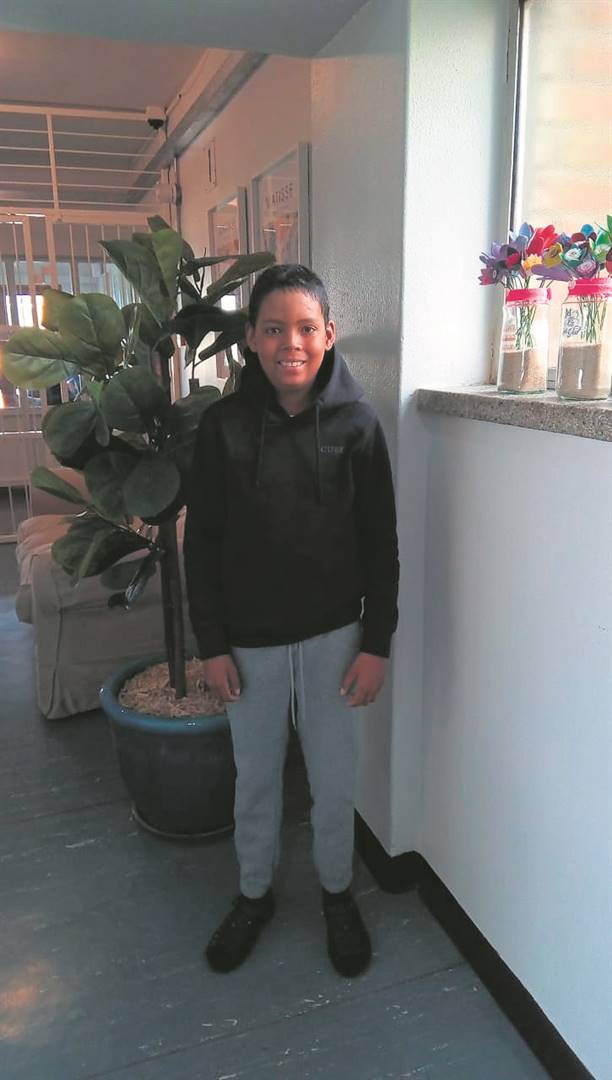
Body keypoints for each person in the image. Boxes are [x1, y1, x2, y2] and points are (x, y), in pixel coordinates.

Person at [184, 264, 399, 978]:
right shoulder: (222, 428)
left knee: (334, 780)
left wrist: (376, 643)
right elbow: (201, 543)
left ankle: (337, 893)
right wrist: (212, 644)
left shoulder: (358, 424)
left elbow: (381, 544)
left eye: (306, 328)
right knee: (256, 778)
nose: (291, 343)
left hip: (336, 638)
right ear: (250, 338)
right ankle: (255, 894)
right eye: (273, 329)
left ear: (329, 334)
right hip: (248, 645)